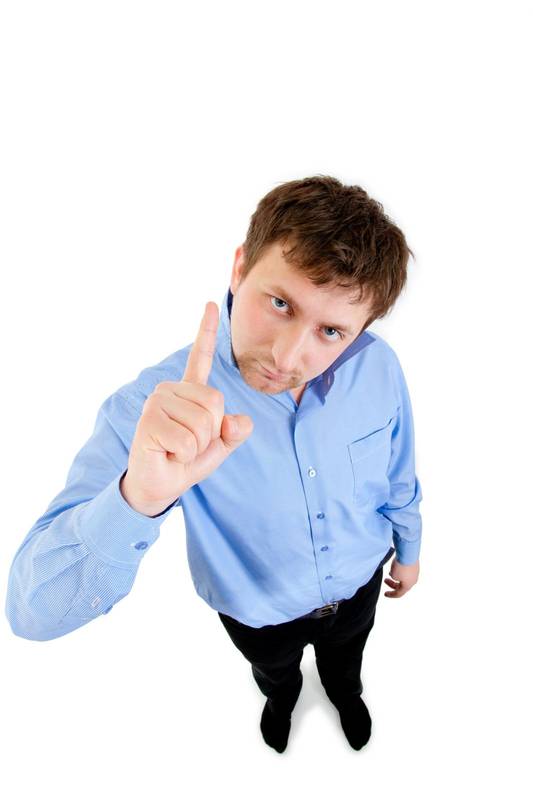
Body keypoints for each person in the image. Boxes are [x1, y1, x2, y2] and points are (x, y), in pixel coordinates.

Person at [5, 175, 423, 754]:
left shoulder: (377, 366)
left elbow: (399, 470)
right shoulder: (157, 407)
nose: (287, 356)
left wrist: (409, 549)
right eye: (280, 303)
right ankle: (281, 700)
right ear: (240, 267)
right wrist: (138, 498)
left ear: (359, 331)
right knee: (276, 675)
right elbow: (32, 612)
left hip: (360, 584)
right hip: (258, 613)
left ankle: (345, 694)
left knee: (346, 663)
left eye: (331, 331)